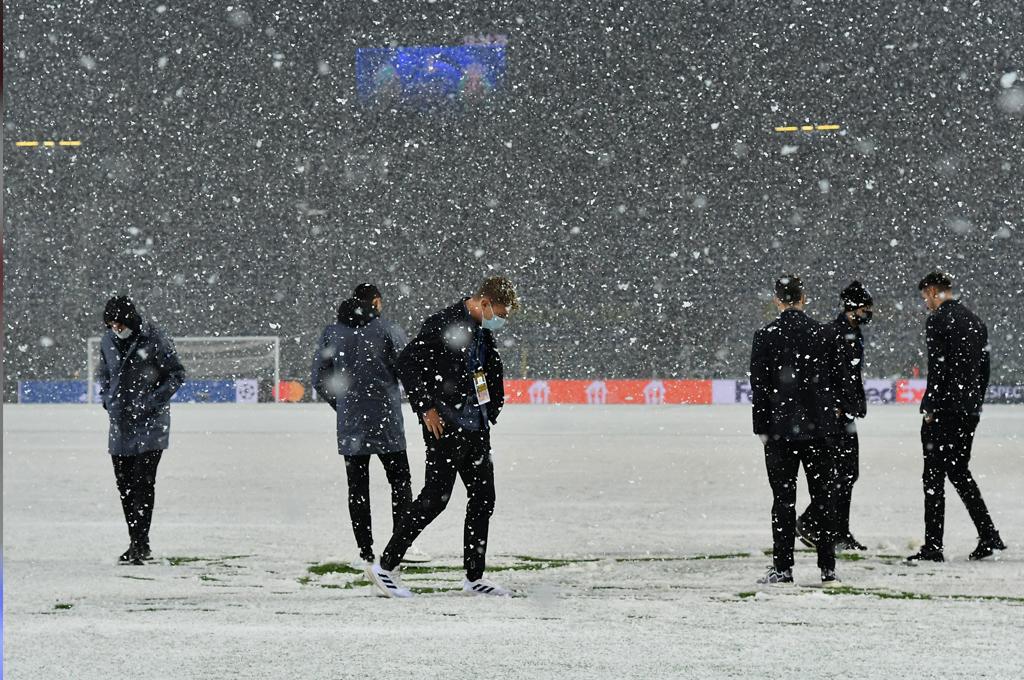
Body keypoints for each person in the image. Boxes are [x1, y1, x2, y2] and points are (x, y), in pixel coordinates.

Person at [366, 276, 518, 598]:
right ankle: (385, 565)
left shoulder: (481, 332)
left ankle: (474, 578)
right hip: (446, 428)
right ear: (485, 303)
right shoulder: (443, 323)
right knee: (435, 499)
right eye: (500, 314)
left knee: (484, 498)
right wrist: (426, 407)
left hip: (476, 427)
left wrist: (491, 407)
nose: (500, 321)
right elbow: (407, 362)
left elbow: (488, 371)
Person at [311, 283, 414, 567]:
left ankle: (366, 551)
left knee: (357, 488)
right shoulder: (388, 330)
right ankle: (399, 546)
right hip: (387, 420)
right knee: (400, 482)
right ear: (377, 302)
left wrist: (342, 404)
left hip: (352, 424)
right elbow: (407, 368)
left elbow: (320, 378)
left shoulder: (332, 333)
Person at [907, 272, 1006, 563]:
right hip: (968, 409)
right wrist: (975, 402)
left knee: (933, 478)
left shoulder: (938, 321)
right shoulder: (975, 321)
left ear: (934, 291)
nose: (926, 302)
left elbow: (938, 368)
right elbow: (984, 370)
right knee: (960, 472)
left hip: (946, 411)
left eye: (926, 296)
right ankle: (988, 533)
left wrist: (931, 408)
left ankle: (933, 546)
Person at [750, 275, 840, 584]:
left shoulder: (765, 336)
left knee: (783, 501)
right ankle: (827, 567)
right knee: (824, 498)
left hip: (780, 431)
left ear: (777, 300)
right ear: (804, 298)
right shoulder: (823, 334)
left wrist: (762, 429)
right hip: (818, 430)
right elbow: (836, 383)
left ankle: (783, 567)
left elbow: (759, 388)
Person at [97, 296, 185, 565]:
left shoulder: (155, 338)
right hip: (120, 424)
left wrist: (152, 402)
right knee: (124, 485)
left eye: (119, 323)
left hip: (150, 425)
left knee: (143, 483)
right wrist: (107, 399)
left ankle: (140, 542)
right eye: (110, 324)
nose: (115, 328)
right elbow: (104, 374)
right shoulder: (107, 342)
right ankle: (136, 541)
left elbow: (177, 374)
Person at [797, 281, 873, 552]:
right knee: (839, 475)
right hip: (835, 417)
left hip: (846, 414)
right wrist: (833, 405)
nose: (868, 313)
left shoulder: (851, 334)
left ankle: (837, 530)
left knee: (848, 474)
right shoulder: (833, 333)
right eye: (865, 308)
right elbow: (825, 375)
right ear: (852, 308)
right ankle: (811, 523)